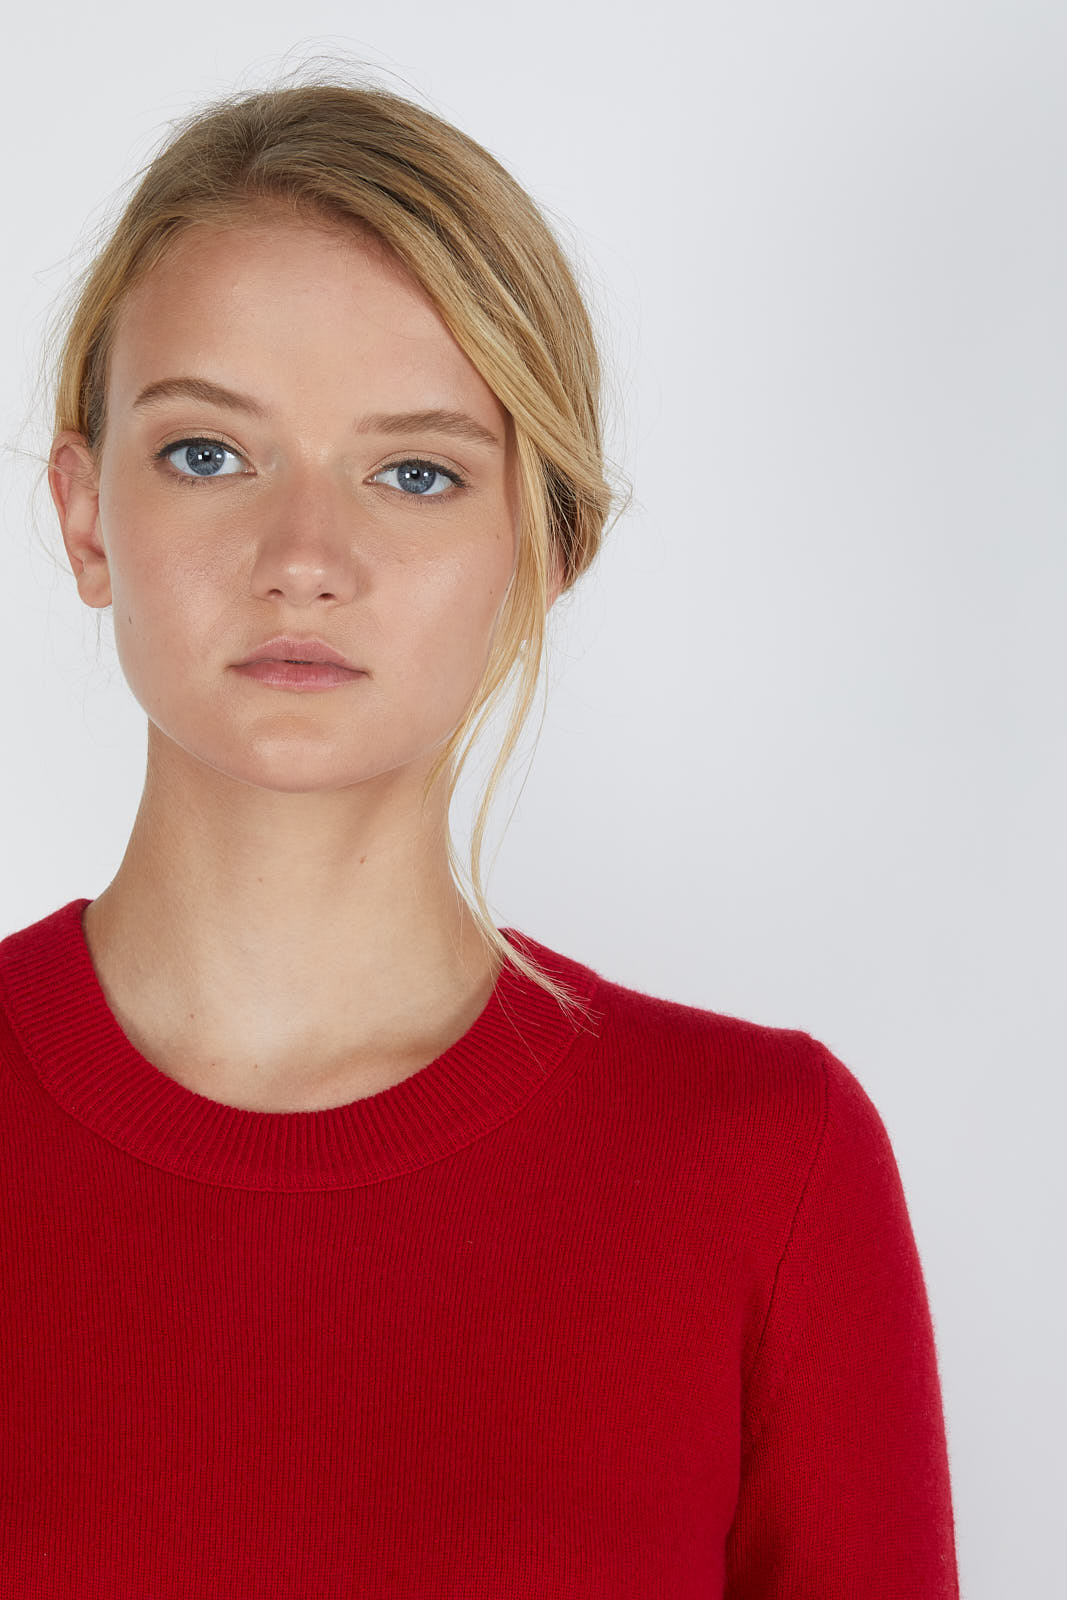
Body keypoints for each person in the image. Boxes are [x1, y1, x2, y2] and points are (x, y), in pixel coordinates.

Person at [0, 71, 960, 1595]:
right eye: (207, 453)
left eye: (416, 472)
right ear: (83, 513)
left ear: (543, 547)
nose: (304, 557)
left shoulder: (767, 1168)